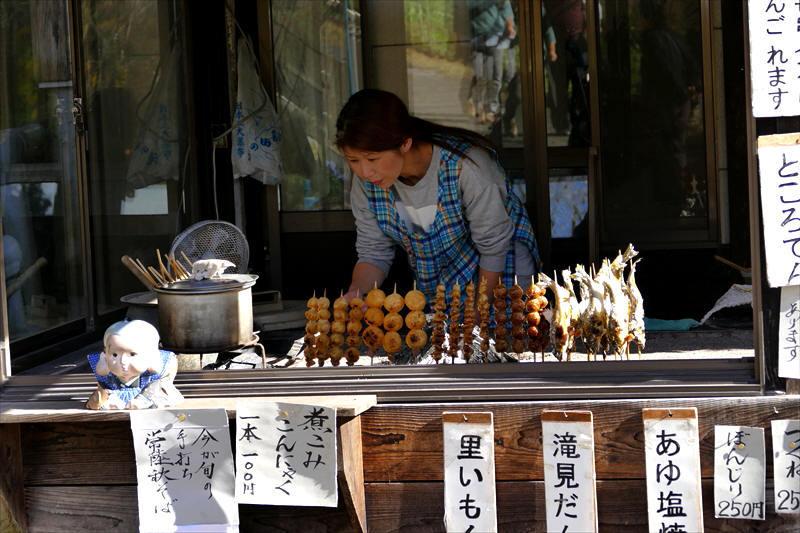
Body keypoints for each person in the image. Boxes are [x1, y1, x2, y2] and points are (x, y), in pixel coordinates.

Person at [336, 89, 541, 304]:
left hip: (500, 276)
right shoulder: (367, 184)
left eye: (372, 158)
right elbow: (374, 253)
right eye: (353, 160)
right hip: (444, 288)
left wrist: (479, 313)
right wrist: (356, 293)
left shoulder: (467, 167)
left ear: (404, 143)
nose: (365, 172)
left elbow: (493, 247)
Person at [467, 0, 516, 124]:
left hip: (495, 40)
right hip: (476, 39)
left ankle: (490, 110)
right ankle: (477, 104)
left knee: (495, 78)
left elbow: (507, 11)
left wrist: (509, 26)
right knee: (480, 76)